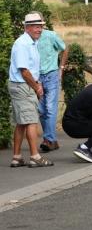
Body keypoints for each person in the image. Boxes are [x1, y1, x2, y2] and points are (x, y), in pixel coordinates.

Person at [8, 12, 54, 168]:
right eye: (36, 26)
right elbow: (24, 70)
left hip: (23, 85)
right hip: (23, 86)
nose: (39, 29)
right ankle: (35, 156)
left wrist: (36, 84)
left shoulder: (30, 42)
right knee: (31, 121)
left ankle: (17, 157)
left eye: (40, 26)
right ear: (27, 27)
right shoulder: (23, 44)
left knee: (21, 122)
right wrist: (37, 87)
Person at [37, 24, 69, 153]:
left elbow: (65, 48)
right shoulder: (30, 38)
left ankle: (48, 140)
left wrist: (61, 68)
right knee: (41, 110)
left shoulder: (51, 35)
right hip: (37, 77)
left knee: (50, 108)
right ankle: (52, 140)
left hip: (51, 75)